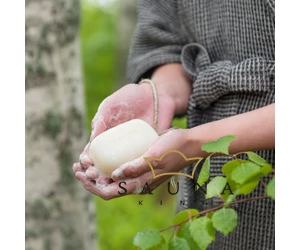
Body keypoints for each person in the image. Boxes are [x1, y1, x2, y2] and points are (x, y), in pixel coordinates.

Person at [73, 0, 275, 249]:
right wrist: (158, 95)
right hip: (210, 192)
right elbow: (167, 42)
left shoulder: (191, 144)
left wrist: (193, 144)